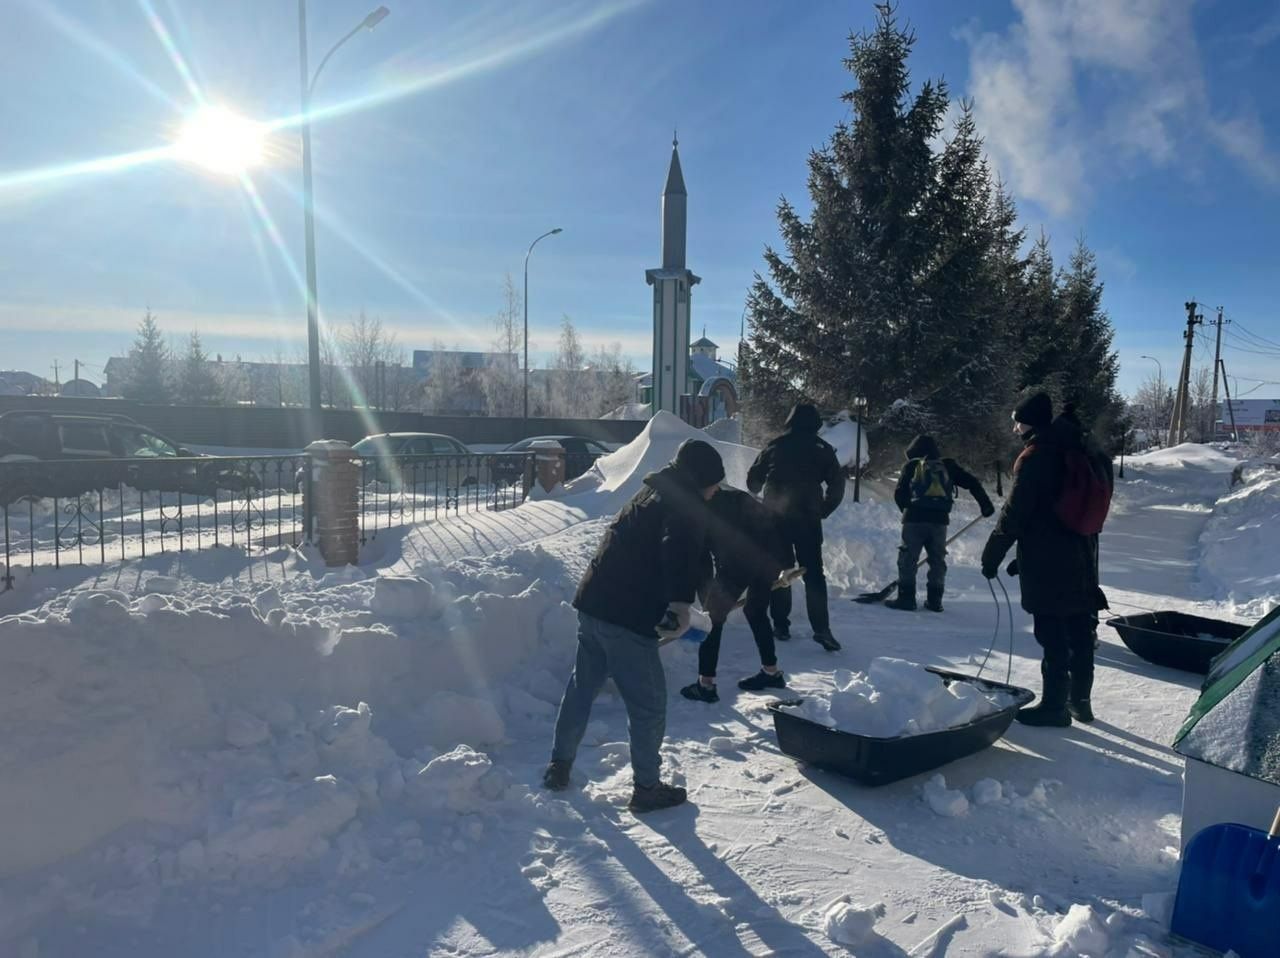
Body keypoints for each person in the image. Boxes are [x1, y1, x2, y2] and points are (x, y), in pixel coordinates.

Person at [543, 438, 723, 812]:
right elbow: (678, 552)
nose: (716, 490)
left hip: (594, 604)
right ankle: (647, 788)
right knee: (649, 705)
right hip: (625, 616)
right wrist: (678, 606)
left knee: (582, 686)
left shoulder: (650, 492)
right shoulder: (684, 508)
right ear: (701, 479)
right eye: (715, 483)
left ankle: (559, 765)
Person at [980, 394, 1111, 727]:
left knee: (1052, 632)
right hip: (1082, 554)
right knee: (1080, 629)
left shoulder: (1038, 455)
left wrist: (992, 553)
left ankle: (1054, 707)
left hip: (1050, 562)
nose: (1015, 427)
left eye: (1018, 421)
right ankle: (1080, 702)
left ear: (1031, 423)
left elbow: (1016, 513)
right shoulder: (1077, 448)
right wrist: (1023, 559)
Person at [747, 403, 844, 652]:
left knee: (781, 572)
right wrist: (824, 509)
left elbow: (753, 482)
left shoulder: (775, 446)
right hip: (808, 520)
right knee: (814, 574)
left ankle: (780, 625)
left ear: (790, 421)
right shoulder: (822, 449)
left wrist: (762, 486)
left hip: (775, 519)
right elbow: (837, 485)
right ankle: (822, 629)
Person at [680, 487, 789, 703]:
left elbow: (702, 562)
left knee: (712, 620)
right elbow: (772, 523)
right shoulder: (737, 496)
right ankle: (771, 672)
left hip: (739, 562)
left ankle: (706, 685)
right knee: (756, 611)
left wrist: (708, 602)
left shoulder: (698, 509)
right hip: (767, 559)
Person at [885, 435, 995, 612]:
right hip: (939, 521)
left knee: (908, 558)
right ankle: (935, 601)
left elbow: (899, 494)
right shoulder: (948, 466)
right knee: (937, 560)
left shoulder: (912, 465)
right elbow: (972, 482)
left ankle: (906, 599)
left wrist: (908, 511)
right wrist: (986, 505)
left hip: (914, 520)